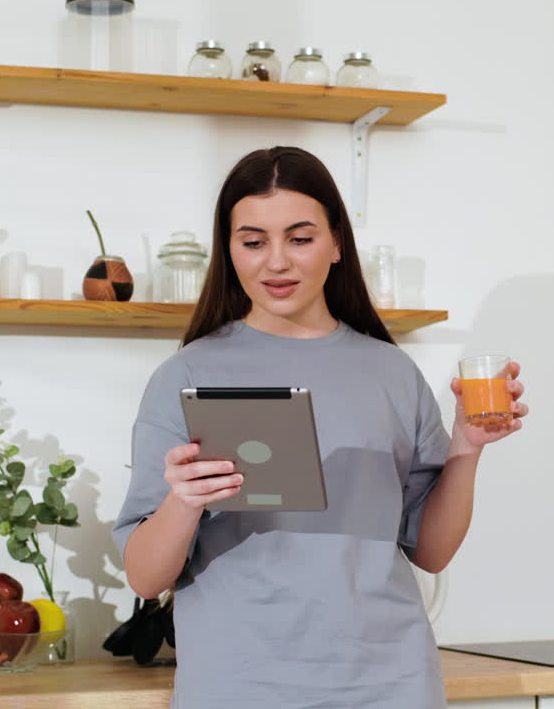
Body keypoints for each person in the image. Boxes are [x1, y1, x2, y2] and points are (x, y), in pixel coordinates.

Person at [113, 146, 527, 707]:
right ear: (229, 251)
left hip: (391, 683)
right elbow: (144, 577)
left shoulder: (391, 371)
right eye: (253, 241)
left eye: (300, 238)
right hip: (240, 685)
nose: (276, 262)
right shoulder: (187, 375)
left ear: (336, 244)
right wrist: (183, 502)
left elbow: (429, 552)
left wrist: (467, 447)